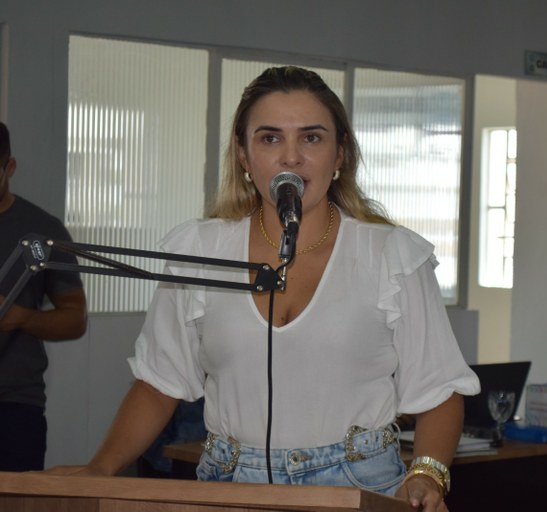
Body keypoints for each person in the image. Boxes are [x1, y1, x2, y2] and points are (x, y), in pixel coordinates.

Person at [53, 66, 479, 511]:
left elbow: (439, 390)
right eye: (270, 138)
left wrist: (426, 475)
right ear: (243, 154)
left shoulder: (392, 255)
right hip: (229, 483)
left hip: (359, 484)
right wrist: (100, 469)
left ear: (340, 154)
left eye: (311, 138)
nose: (291, 157)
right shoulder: (200, 250)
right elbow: (160, 383)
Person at [0, 121, 88, 471]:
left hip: (14, 404)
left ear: (9, 167)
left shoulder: (41, 231)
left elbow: (75, 319)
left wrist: (19, 317)